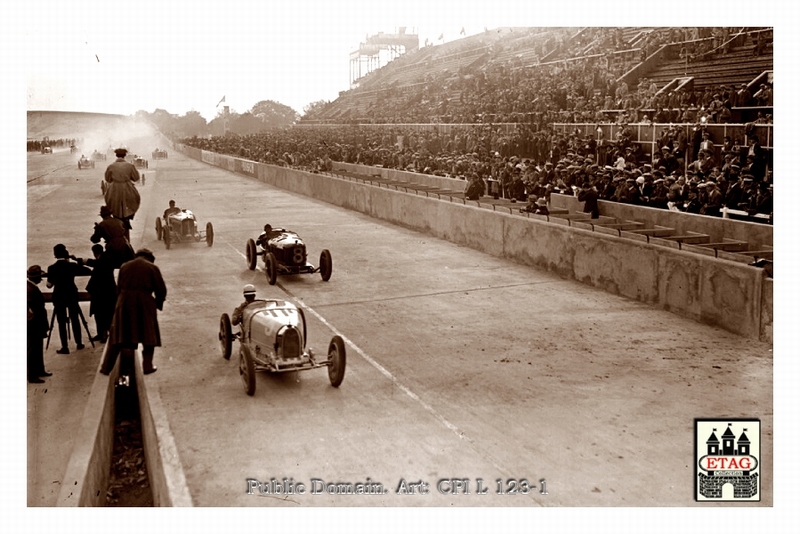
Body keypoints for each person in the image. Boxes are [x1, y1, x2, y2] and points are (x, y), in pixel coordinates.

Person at [100, 248, 167, 376]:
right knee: (149, 336)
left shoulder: (124, 266)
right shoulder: (152, 268)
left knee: (118, 335)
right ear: (149, 258)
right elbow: (161, 289)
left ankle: (106, 367)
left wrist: (120, 303)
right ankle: (147, 366)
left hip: (124, 302)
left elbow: (118, 287)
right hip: (144, 302)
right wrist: (158, 304)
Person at [46, 244, 92, 354]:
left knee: (61, 321)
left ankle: (64, 347)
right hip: (71, 294)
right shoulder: (71, 266)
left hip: (59, 296)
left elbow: (49, 285)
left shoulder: (52, 268)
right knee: (75, 319)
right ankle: (79, 342)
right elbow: (87, 270)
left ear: (55, 255)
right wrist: (74, 260)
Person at [80, 244, 117, 343]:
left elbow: (94, 263)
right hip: (109, 292)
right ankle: (105, 333)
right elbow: (94, 263)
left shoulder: (103, 260)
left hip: (101, 292)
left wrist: (80, 261)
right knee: (106, 313)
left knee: (101, 314)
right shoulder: (106, 258)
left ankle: (103, 334)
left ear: (94, 252)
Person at [103, 147, 141, 236]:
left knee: (110, 202)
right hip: (127, 188)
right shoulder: (130, 166)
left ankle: (116, 218)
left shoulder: (111, 166)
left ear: (116, 155)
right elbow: (136, 178)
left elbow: (108, 179)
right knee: (135, 200)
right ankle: (129, 217)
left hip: (114, 189)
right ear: (125, 156)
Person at [27, 265, 52, 383]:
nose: (41, 279)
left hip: (36, 323)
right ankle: (32, 375)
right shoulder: (30, 289)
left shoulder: (29, 287)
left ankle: (39, 370)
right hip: (34, 324)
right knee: (33, 348)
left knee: (37, 347)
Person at [91, 205, 133, 269]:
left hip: (113, 245)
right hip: (124, 244)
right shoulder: (119, 221)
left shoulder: (102, 224)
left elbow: (95, 239)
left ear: (102, 216)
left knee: (107, 264)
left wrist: (97, 229)